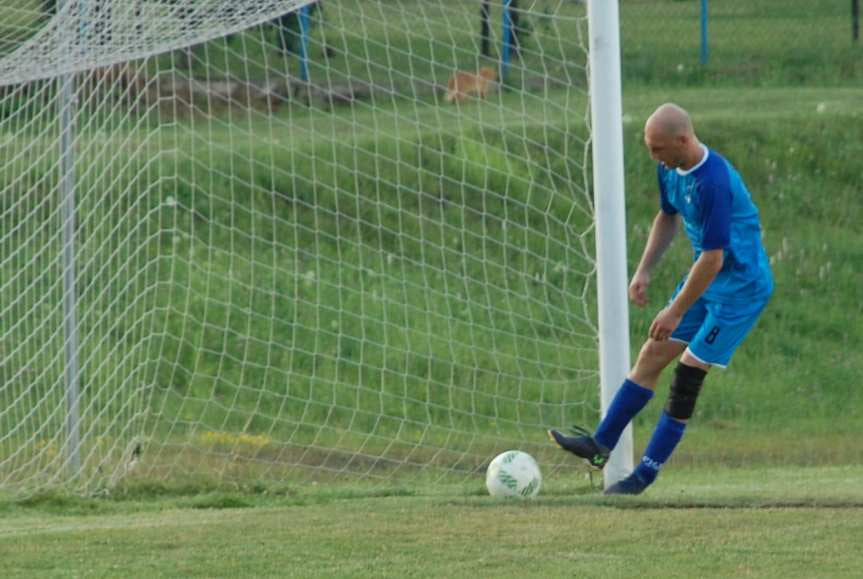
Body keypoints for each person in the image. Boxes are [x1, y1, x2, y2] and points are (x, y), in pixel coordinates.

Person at [549, 103, 774, 495]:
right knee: (651, 357)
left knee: (687, 372)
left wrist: (674, 310)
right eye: (649, 148)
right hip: (709, 279)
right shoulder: (670, 169)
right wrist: (645, 269)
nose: (653, 156)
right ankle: (600, 445)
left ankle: (643, 476)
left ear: (683, 140)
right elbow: (667, 216)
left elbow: (713, 256)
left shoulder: (714, 182)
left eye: (658, 149)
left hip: (740, 288)